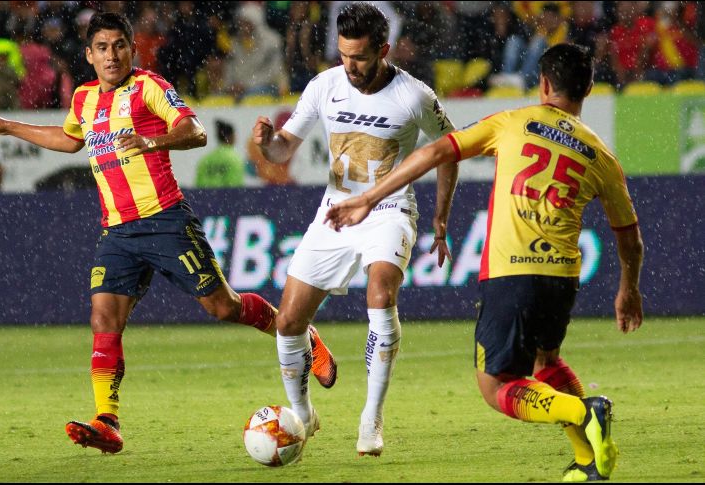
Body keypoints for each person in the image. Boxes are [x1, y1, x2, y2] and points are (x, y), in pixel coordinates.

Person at [0, 12, 337, 455]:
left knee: (222, 307)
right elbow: (69, 140)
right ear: (88, 54)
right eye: (101, 47)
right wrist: (7, 125)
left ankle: (302, 336)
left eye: (119, 45)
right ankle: (107, 420)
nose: (111, 55)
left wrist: (151, 142)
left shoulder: (149, 87)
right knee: (104, 319)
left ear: (131, 48)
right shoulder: (83, 99)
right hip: (118, 231)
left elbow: (194, 131)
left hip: (165, 219)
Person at [324, 43, 644, 481]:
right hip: (563, 278)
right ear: (588, 87)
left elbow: (436, 152)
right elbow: (630, 238)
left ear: (544, 84)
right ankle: (590, 460)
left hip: (512, 273)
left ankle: (585, 410)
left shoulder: (513, 122)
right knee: (545, 362)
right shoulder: (601, 155)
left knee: (495, 386)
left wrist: (368, 197)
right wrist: (629, 288)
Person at [251, 2, 457, 456]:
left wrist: (440, 219)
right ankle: (303, 414)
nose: (351, 66)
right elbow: (285, 151)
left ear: (383, 49)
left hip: (389, 210)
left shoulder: (414, 95)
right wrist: (268, 145)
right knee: (288, 322)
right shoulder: (325, 85)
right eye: (344, 55)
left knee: (380, 293)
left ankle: (371, 417)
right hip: (335, 212)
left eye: (360, 57)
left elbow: (450, 151)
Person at [195, 120, 245, 188]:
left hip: (205, 197)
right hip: (227, 197)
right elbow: (236, 188)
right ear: (231, 137)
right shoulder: (235, 159)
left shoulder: (205, 160)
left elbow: (198, 186)